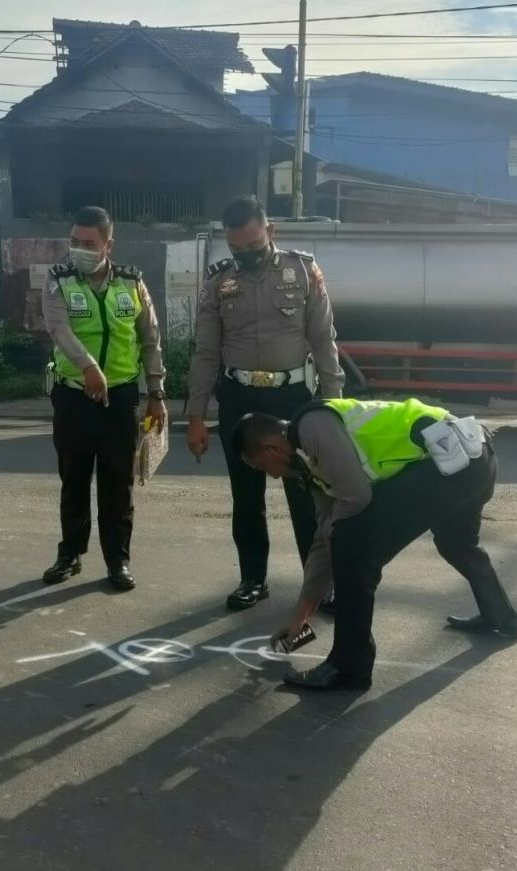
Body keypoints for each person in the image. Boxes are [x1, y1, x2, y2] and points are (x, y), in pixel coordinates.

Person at [234, 399, 517, 691]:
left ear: (270, 449)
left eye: (262, 467)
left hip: (450, 460)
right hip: (473, 457)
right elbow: (324, 538)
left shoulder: (312, 428)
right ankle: (501, 617)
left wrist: (339, 538)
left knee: (353, 551)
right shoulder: (309, 466)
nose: (271, 475)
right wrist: (300, 617)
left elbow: (357, 497)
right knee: (457, 544)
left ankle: (349, 667)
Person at [186, 195, 344, 611]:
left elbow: (324, 341)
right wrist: (196, 415)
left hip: (292, 397)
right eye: (237, 249)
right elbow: (205, 353)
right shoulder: (217, 282)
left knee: (305, 494)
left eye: (253, 246)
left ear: (269, 231)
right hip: (239, 397)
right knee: (246, 494)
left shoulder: (304, 271)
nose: (246, 255)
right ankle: (253, 579)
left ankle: (320, 583)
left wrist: (335, 405)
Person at [42, 206, 166, 591]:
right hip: (74, 395)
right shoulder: (58, 280)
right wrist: (88, 367)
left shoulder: (132, 283)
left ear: (108, 244)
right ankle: (70, 555)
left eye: (89, 243)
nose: (79, 249)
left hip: (122, 397)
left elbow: (150, 339)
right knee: (74, 479)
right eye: (74, 242)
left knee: (118, 484)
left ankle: (118, 561)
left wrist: (157, 391)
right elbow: (59, 329)